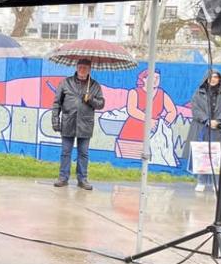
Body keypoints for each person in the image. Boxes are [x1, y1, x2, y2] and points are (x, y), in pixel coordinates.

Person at [51, 59, 105, 190]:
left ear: (89, 70)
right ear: (76, 67)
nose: (82, 70)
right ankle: (63, 178)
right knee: (65, 152)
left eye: (85, 68)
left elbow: (101, 104)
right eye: (80, 67)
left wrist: (90, 99)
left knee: (83, 153)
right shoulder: (66, 83)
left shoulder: (94, 86)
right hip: (68, 122)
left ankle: (82, 179)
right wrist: (55, 120)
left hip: (85, 124)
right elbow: (57, 103)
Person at [184, 70, 221, 192]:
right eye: (211, 77)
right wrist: (208, 120)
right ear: (206, 79)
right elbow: (196, 109)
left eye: (216, 77)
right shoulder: (199, 93)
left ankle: (216, 182)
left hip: (218, 129)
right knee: (202, 154)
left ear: (219, 79)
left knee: (217, 155)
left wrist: (218, 121)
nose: (213, 79)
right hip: (202, 128)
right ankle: (201, 181)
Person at [116, 69, 177, 158]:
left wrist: (162, 125)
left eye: (158, 78)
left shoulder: (162, 94)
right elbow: (132, 110)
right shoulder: (134, 92)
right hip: (133, 131)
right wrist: (149, 120)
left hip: (153, 133)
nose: (156, 80)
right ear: (144, 79)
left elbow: (172, 111)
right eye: (153, 77)